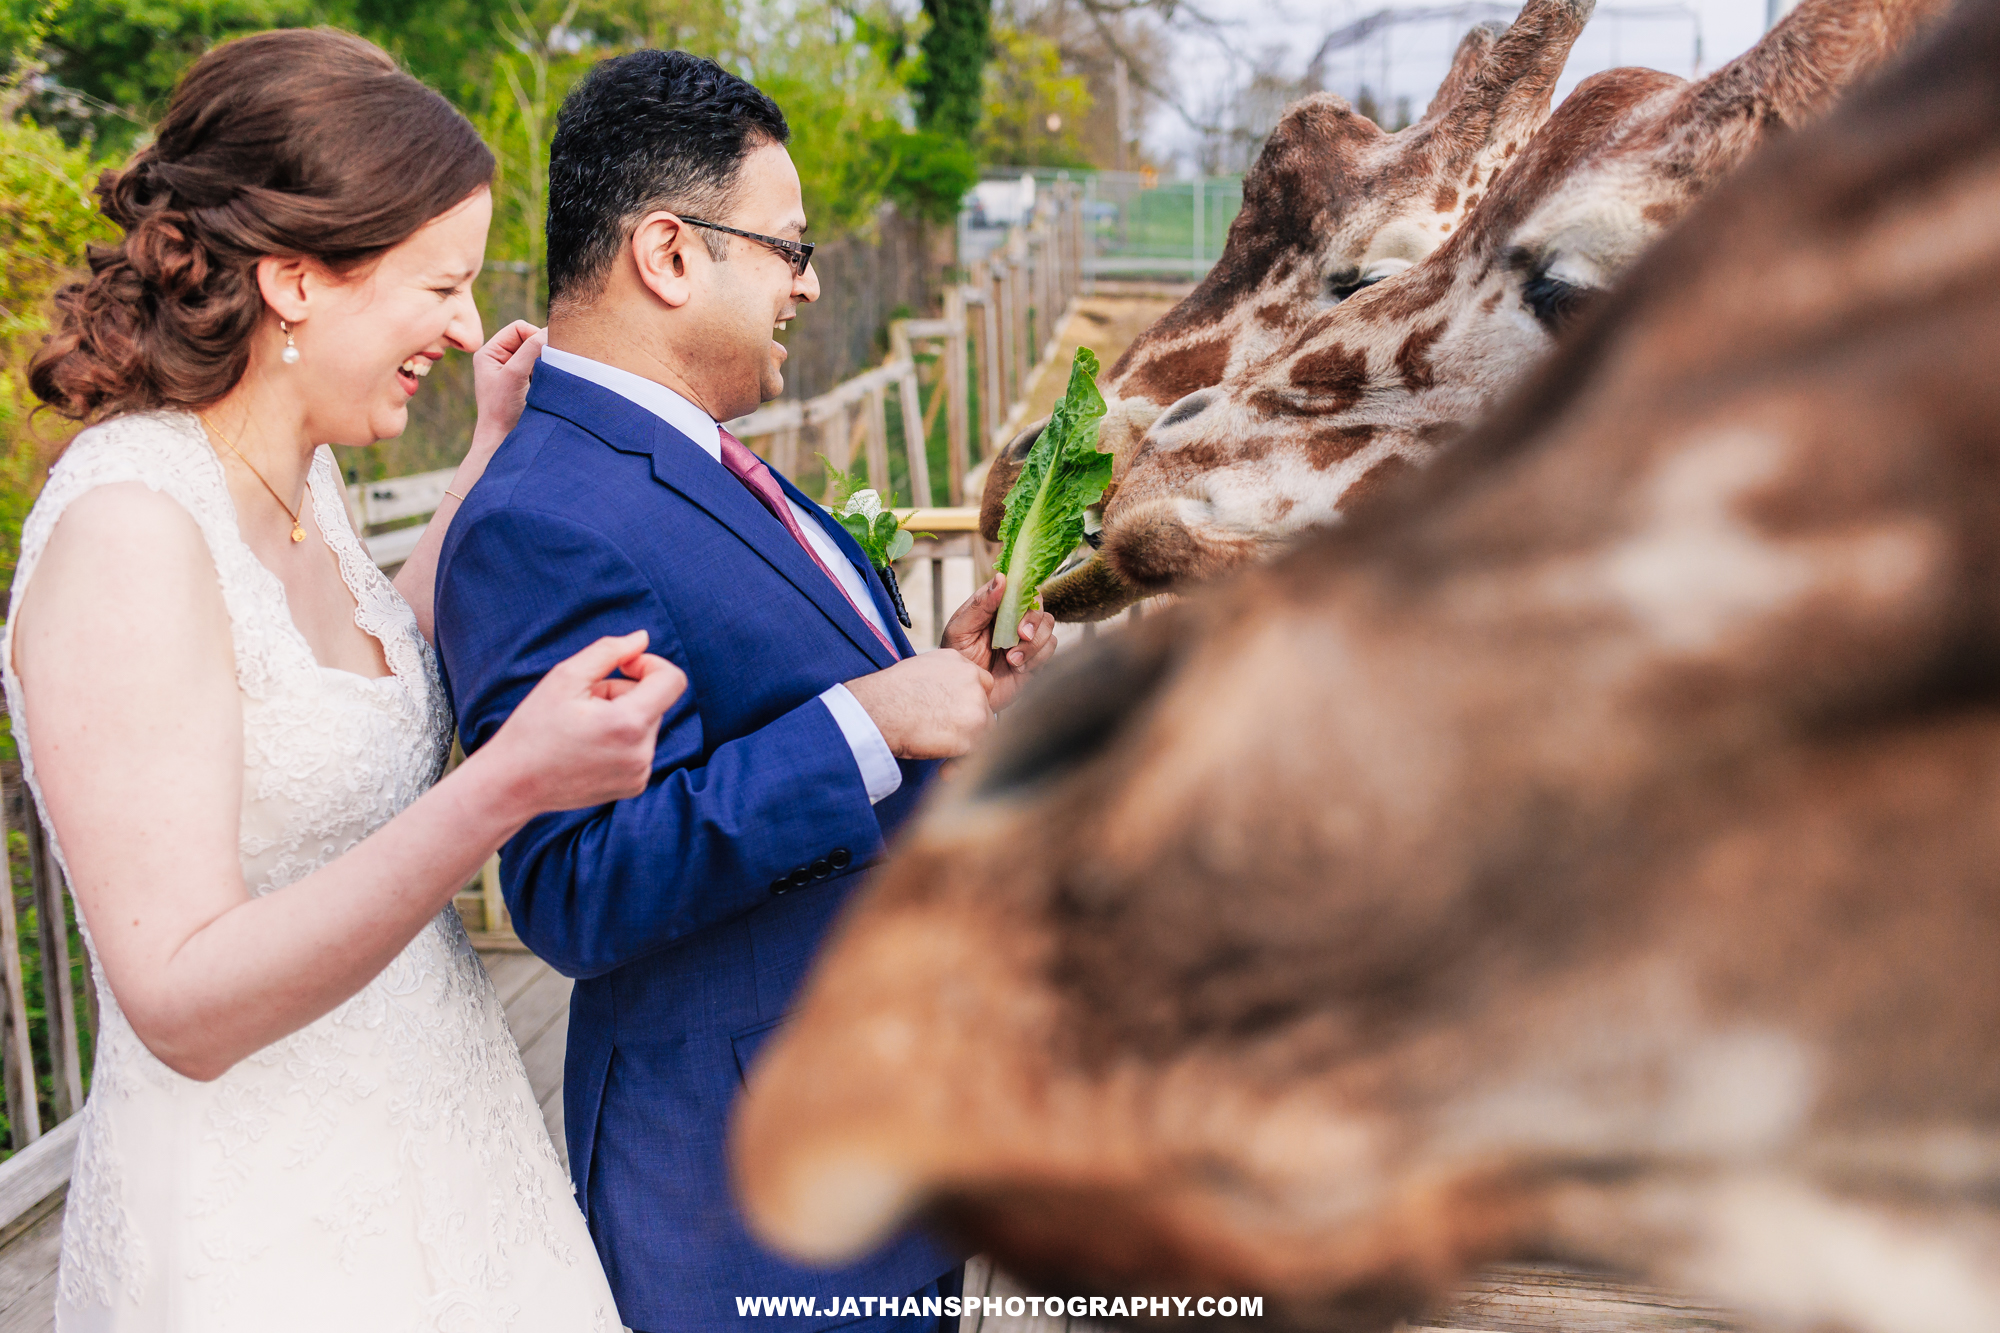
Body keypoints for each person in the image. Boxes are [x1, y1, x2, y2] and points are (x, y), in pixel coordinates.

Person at [9, 29, 682, 1330]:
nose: (468, 323)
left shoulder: (293, 475)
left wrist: (489, 444)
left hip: (437, 1128)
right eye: (440, 286)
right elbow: (182, 1002)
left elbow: (360, 664)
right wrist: (504, 788)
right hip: (266, 1223)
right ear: (298, 282)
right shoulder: (129, 537)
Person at [433, 50, 1060, 1333]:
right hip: (732, 1196)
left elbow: (784, 709)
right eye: (785, 244)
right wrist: (871, 722)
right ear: (668, 254)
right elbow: (576, 885)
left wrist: (940, 676)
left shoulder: (701, 461)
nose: (810, 280)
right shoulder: (543, 513)